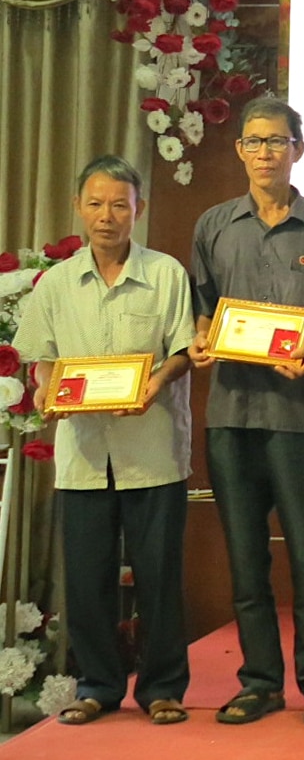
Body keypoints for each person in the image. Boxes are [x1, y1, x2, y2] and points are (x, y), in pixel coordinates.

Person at [13, 156, 194, 725]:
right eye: (96, 204)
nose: (107, 216)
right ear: (78, 208)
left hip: (153, 450)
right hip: (84, 455)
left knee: (159, 576)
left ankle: (162, 687)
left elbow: (185, 351)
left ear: (138, 210)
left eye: (120, 204)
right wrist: (45, 392)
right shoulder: (56, 283)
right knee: (87, 579)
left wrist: (153, 385)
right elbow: (42, 359)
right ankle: (97, 685)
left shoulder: (166, 273)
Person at [188, 97, 304, 725]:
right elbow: (204, 306)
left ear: (298, 150)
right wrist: (203, 337)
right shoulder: (213, 225)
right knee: (246, 554)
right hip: (232, 413)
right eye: (253, 142)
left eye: (277, 142)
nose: (264, 153)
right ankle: (258, 680)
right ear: (239, 151)